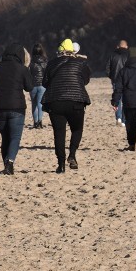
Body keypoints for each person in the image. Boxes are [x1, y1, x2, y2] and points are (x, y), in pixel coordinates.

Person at [42, 38, 91, 173]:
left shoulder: (52, 63)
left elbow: (45, 83)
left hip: (56, 101)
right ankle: (72, 155)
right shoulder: (81, 63)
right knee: (77, 129)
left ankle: (61, 164)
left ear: (60, 51)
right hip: (76, 100)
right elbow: (86, 80)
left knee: (59, 133)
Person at [0, 43, 33, 175]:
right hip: (17, 107)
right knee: (15, 137)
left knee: (5, 137)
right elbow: (29, 87)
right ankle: (10, 163)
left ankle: (6, 165)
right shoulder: (22, 68)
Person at [112, 47, 136, 151]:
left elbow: (118, 88)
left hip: (129, 102)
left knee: (130, 123)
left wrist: (115, 101)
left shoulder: (124, 71)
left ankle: (132, 145)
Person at [106, 39, 129, 126]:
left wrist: (111, 77)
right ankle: (124, 120)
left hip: (115, 79)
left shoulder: (112, 55)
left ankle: (118, 118)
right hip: (126, 80)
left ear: (118, 46)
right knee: (125, 100)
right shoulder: (129, 55)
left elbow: (107, 68)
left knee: (117, 98)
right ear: (126, 46)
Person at [29, 43, 48, 129]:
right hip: (42, 85)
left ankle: (35, 122)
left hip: (33, 85)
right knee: (40, 103)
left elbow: (29, 73)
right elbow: (47, 74)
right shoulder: (45, 61)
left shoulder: (31, 61)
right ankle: (40, 122)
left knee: (34, 104)